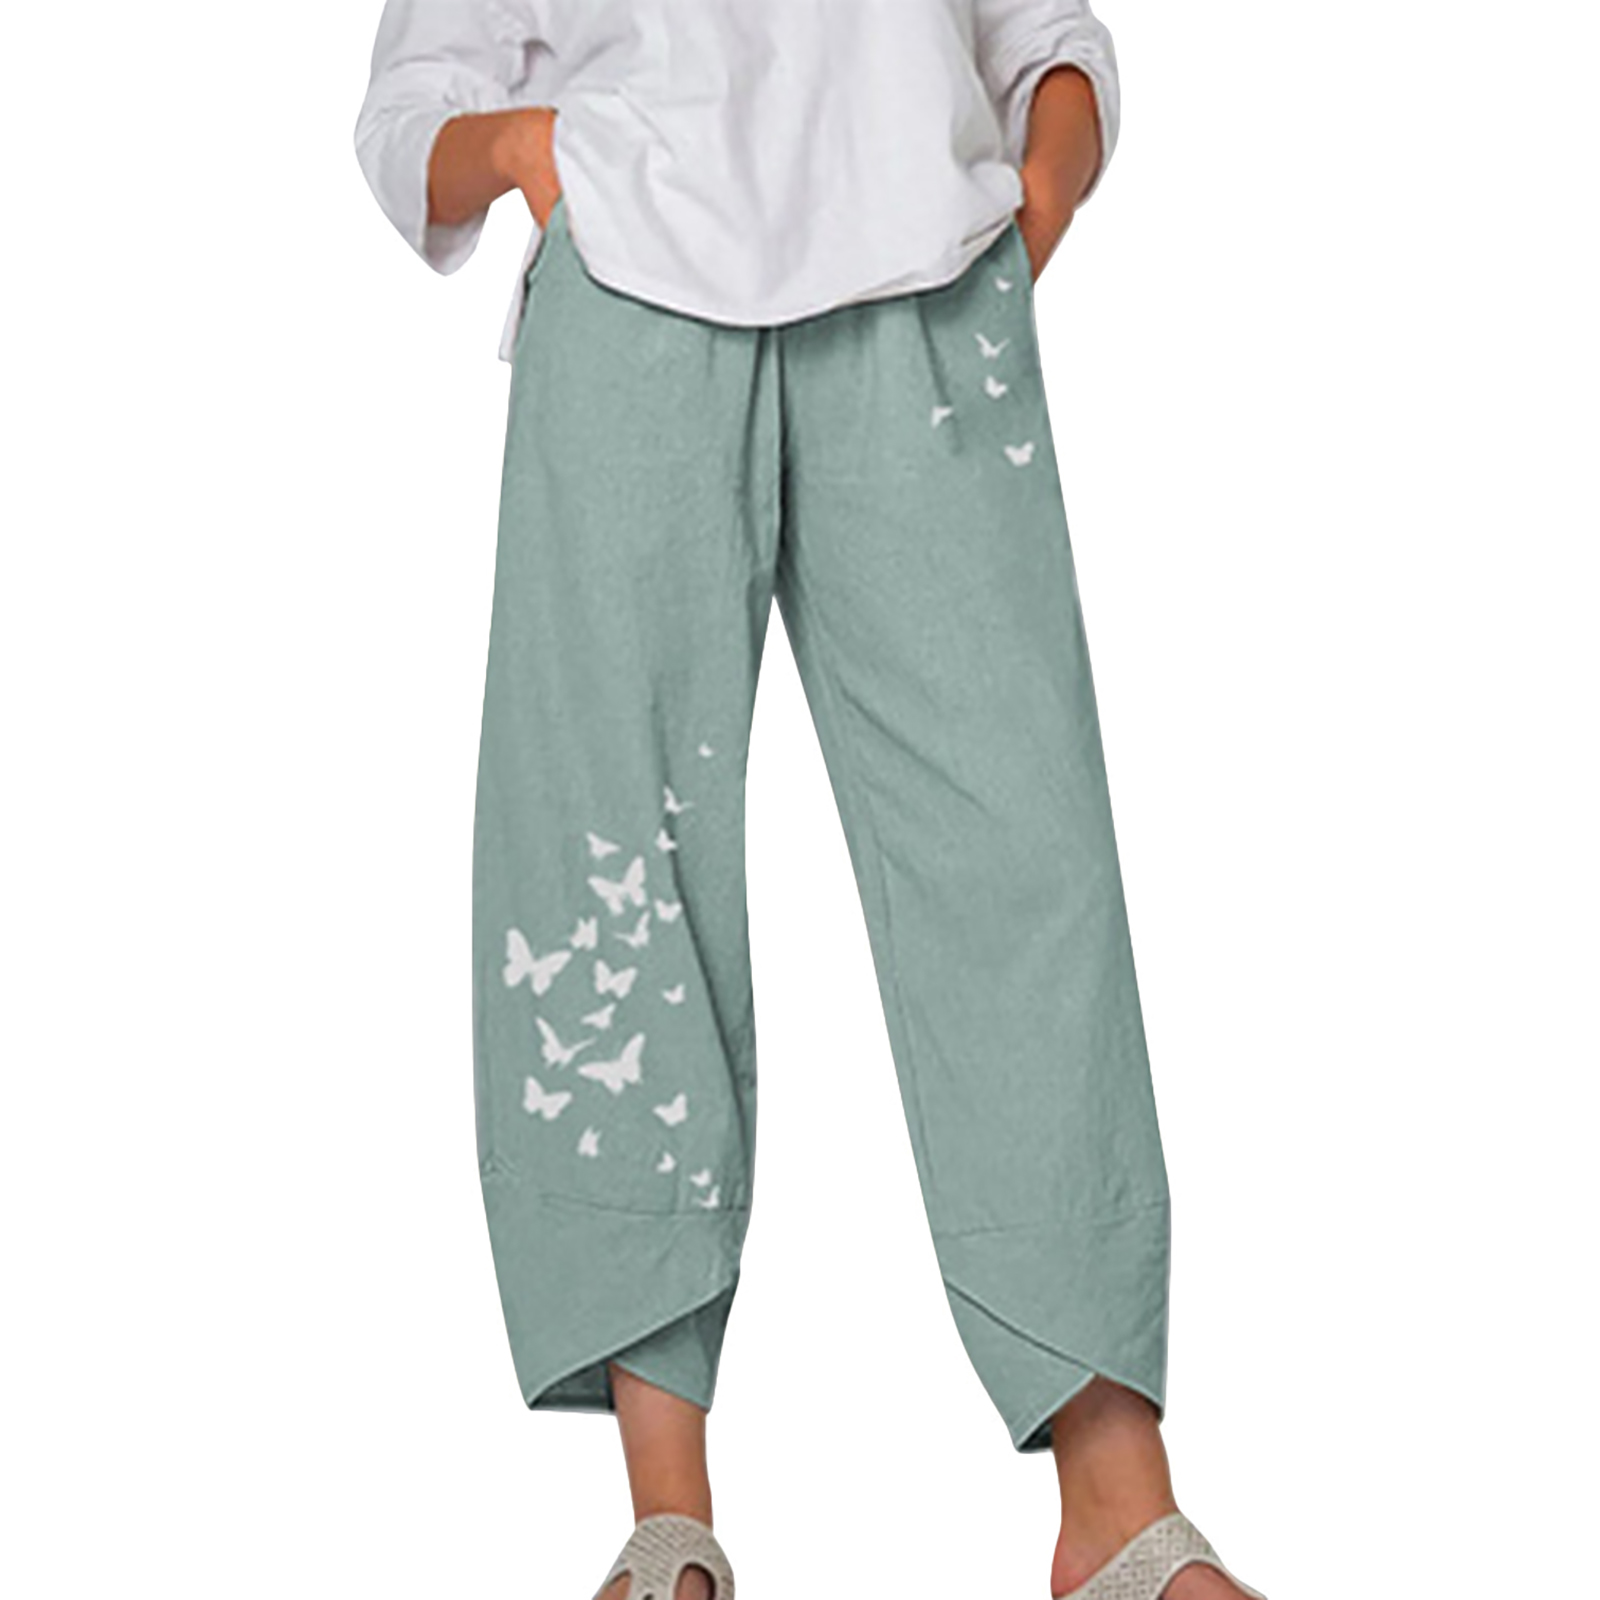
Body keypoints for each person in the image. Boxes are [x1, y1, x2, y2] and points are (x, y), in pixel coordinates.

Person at [354, 5, 1267, 1597]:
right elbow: (411, 112)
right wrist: (529, 149)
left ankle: (1116, 1508)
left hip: (930, 300)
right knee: (611, 871)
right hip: (634, 298)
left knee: (1024, 856)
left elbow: (1045, 35)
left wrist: (1039, 195)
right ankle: (669, 1516)